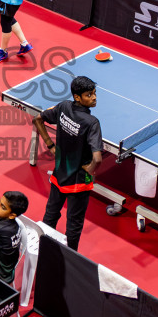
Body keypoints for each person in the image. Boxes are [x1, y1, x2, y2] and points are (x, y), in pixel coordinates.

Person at [33, 75, 103, 252]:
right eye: (89, 95)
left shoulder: (64, 106)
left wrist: (50, 145)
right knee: (74, 225)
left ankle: (43, 249)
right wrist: (91, 170)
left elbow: (38, 119)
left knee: (50, 216)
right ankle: (70, 257)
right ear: (77, 97)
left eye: (94, 93)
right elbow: (97, 158)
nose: (94, 98)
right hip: (79, 182)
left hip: (59, 174)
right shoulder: (92, 122)